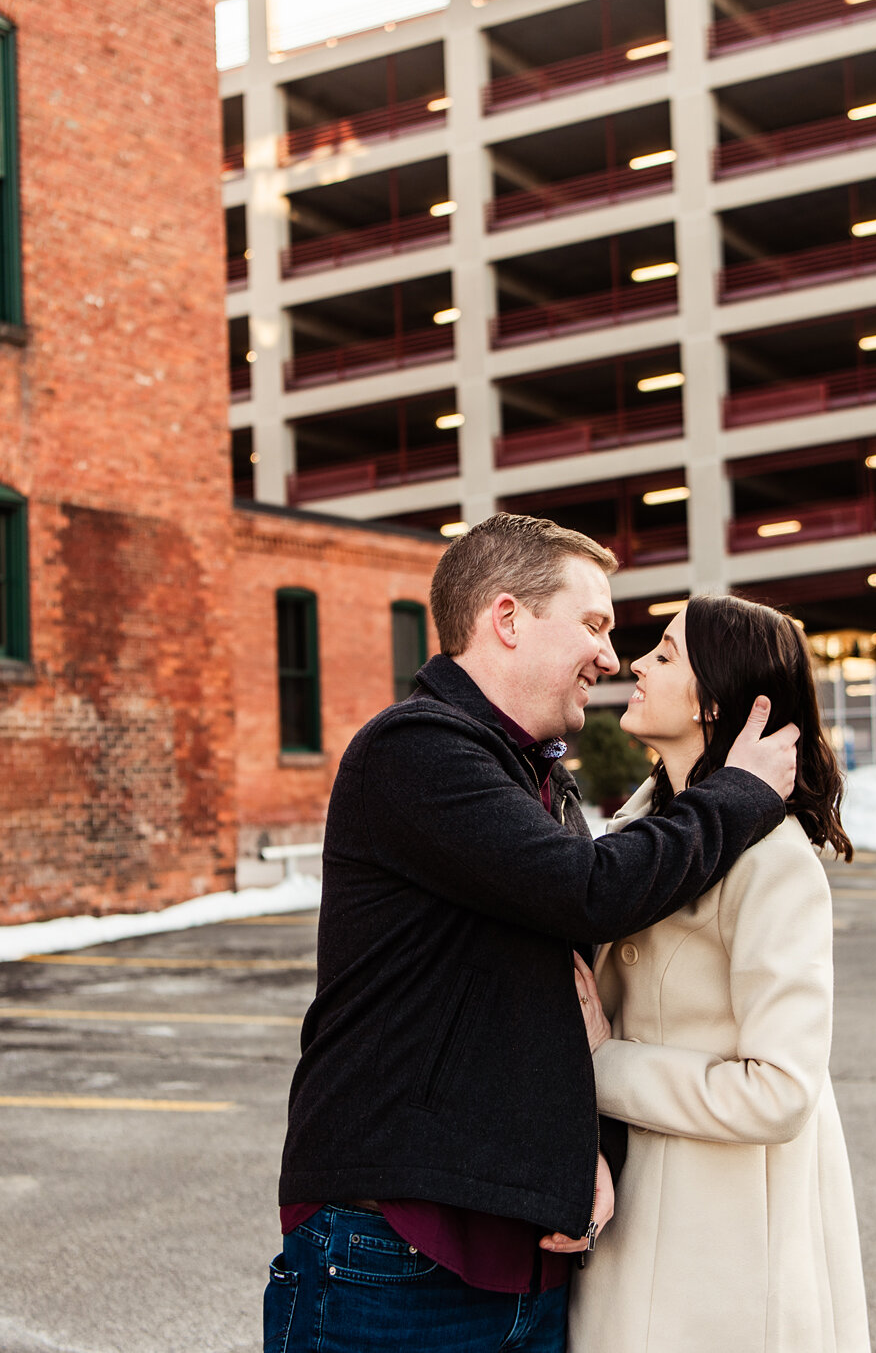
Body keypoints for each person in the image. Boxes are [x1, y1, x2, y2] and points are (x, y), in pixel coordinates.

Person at [266, 515, 801, 1353]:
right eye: (593, 624)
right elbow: (587, 895)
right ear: (507, 619)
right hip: (398, 1257)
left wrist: (573, 1151)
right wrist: (737, 792)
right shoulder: (416, 750)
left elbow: (542, 991)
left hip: (523, 1269)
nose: (612, 657)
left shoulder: (534, 776)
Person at [569, 594, 870, 1353]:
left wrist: (604, 1066)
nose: (635, 663)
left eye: (664, 655)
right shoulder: (640, 833)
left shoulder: (773, 860)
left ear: (713, 702)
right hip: (632, 1226)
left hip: (727, 1256)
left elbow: (780, 1091)